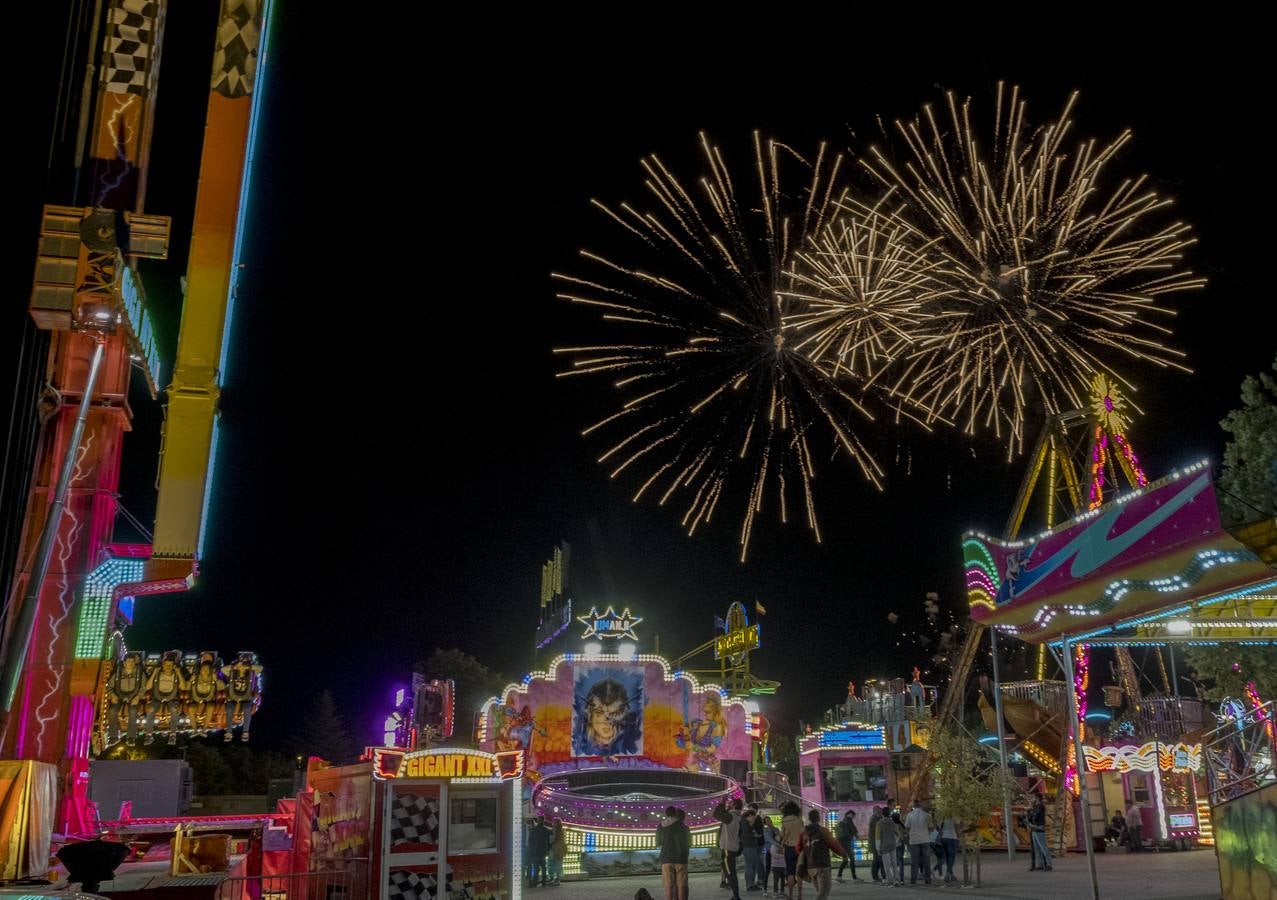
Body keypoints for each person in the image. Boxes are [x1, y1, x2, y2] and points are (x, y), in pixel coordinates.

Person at [797, 809, 846, 900]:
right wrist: (844, 855)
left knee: (820, 892)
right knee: (823, 893)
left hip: (811, 867)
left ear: (809, 819)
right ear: (818, 818)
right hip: (822, 865)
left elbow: (799, 848)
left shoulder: (804, 833)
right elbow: (834, 845)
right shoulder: (823, 831)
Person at [656, 806, 691, 900]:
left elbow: (658, 843)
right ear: (675, 814)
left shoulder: (660, 826)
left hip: (666, 859)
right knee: (681, 885)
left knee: (668, 885)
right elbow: (689, 843)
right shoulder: (683, 826)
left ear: (666, 814)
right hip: (681, 859)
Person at [715, 798, 744, 900]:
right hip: (732, 848)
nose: (728, 804)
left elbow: (716, 814)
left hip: (728, 848)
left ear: (734, 805)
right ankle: (735, 895)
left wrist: (722, 803)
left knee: (730, 873)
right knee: (731, 872)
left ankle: (736, 896)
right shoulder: (737, 816)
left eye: (731, 803)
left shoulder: (731, 816)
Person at [904, 800, 933, 885]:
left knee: (914, 861)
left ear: (913, 806)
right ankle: (928, 879)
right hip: (925, 839)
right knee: (926, 860)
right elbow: (931, 828)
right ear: (920, 806)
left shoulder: (909, 815)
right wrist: (926, 832)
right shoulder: (927, 815)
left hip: (914, 840)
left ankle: (913, 879)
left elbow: (907, 828)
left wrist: (910, 834)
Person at [779, 801, 804, 900]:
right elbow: (802, 833)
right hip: (798, 848)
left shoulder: (784, 821)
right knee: (799, 873)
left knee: (790, 872)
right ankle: (800, 896)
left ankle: (790, 895)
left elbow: (782, 835)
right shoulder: (799, 820)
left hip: (788, 848)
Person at [877, 805, 900, 886]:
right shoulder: (893, 823)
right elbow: (897, 834)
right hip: (892, 845)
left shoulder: (879, 823)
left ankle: (890, 879)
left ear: (882, 814)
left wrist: (878, 847)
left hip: (884, 845)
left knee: (887, 864)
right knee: (894, 862)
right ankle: (896, 879)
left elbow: (878, 837)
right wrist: (895, 842)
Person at [741, 806, 763, 891]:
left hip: (752, 845)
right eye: (753, 817)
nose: (754, 819)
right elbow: (745, 835)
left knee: (753, 865)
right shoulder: (744, 822)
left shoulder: (747, 823)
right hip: (748, 846)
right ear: (749, 815)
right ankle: (750, 885)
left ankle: (752, 884)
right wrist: (755, 835)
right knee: (750, 866)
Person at [1028, 794, 1052, 871]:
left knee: (1043, 847)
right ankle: (1040, 864)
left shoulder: (1040, 806)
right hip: (1034, 828)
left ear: (1037, 798)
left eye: (1033, 797)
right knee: (1037, 848)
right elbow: (1032, 816)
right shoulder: (1035, 806)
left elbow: (1036, 816)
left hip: (1039, 827)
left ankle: (1048, 864)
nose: (1032, 799)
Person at [527, 815, 552, 886]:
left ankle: (535, 882)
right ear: (543, 820)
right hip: (543, 851)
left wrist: (530, 850)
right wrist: (548, 849)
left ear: (538, 820)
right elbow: (549, 841)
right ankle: (543, 881)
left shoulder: (533, 830)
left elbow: (530, 842)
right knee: (543, 867)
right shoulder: (546, 830)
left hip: (535, 851)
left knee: (536, 867)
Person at [834, 810, 858, 882]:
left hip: (842, 843)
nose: (853, 817)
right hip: (847, 842)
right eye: (853, 815)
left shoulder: (843, 821)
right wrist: (855, 834)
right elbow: (854, 830)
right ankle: (854, 877)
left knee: (846, 859)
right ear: (850, 814)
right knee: (852, 859)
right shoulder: (848, 820)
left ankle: (839, 876)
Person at [937, 815, 960, 885]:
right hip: (952, 837)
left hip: (944, 838)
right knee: (951, 856)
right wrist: (958, 836)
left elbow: (938, 827)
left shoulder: (942, 816)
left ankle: (951, 874)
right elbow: (956, 827)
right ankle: (948, 873)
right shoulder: (955, 816)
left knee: (947, 857)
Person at [767, 822, 787, 896]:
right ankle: (775, 891)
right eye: (777, 836)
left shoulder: (783, 845)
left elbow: (784, 853)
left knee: (782, 880)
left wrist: (782, 854)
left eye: (779, 836)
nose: (778, 837)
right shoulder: (773, 846)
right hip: (775, 866)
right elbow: (774, 855)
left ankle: (782, 891)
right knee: (776, 880)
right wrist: (783, 855)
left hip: (783, 865)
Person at [547, 816, 566, 885]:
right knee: (551, 864)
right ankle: (552, 878)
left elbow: (560, 841)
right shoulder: (552, 830)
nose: (554, 824)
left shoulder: (561, 831)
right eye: (554, 822)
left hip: (557, 849)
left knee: (557, 864)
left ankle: (557, 879)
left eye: (555, 822)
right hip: (553, 849)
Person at [867, 807, 884, 883]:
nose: (880, 813)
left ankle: (875, 875)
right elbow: (876, 833)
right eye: (879, 811)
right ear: (875, 811)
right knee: (876, 860)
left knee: (876, 860)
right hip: (875, 843)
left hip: (874, 843)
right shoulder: (875, 820)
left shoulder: (874, 819)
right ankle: (875, 876)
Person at [891, 811, 906, 884]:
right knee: (900, 862)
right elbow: (904, 835)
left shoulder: (891, 825)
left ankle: (895, 878)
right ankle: (902, 878)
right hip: (900, 845)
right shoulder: (900, 825)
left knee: (894, 862)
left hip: (893, 846)